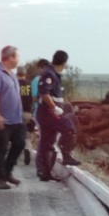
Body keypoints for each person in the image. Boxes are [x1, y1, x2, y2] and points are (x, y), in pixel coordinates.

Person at [35, 50, 80, 181]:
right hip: (49, 113)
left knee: (47, 142)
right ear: (64, 62)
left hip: (48, 114)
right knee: (69, 128)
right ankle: (66, 156)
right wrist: (55, 108)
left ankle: (45, 173)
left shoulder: (53, 74)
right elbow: (45, 93)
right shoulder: (49, 74)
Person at [0, 45, 26, 190]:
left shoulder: (12, 74)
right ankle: (0, 179)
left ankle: (7, 172)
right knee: (1, 147)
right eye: (17, 56)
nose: (18, 60)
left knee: (20, 143)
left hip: (16, 119)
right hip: (2, 119)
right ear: (10, 57)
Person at [17, 66, 33, 166]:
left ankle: (14, 157)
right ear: (25, 73)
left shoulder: (14, 84)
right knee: (27, 134)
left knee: (15, 135)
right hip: (27, 112)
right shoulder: (29, 84)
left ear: (17, 73)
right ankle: (27, 148)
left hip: (16, 114)